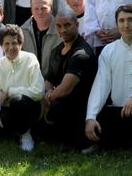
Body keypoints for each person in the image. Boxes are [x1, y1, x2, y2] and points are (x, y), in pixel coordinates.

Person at [85, 4, 132, 151]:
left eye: (131, 20)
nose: (126, 25)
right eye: (121, 20)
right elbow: (101, 85)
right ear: (117, 23)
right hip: (117, 111)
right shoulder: (108, 51)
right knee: (102, 122)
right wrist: (91, 116)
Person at [38, 9, 96, 147]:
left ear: (77, 24)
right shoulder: (56, 51)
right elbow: (49, 80)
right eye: (58, 26)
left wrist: (48, 98)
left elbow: (65, 89)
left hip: (78, 108)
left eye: (67, 25)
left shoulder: (81, 54)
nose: (63, 30)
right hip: (57, 101)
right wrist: (47, 94)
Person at [0, 24, 43, 152]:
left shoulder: (30, 59)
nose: (11, 47)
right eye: (6, 44)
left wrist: (10, 91)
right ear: (1, 46)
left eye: (14, 43)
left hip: (30, 107)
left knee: (17, 100)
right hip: (9, 108)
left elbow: (39, 91)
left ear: (21, 44)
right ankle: (17, 131)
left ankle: (26, 133)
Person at [21, 0, 64, 73]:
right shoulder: (22, 32)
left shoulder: (62, 32)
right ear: (31, 10)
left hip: (55, 82)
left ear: (51, 9)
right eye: (36, 8)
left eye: (44, 8)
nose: (40, 12)